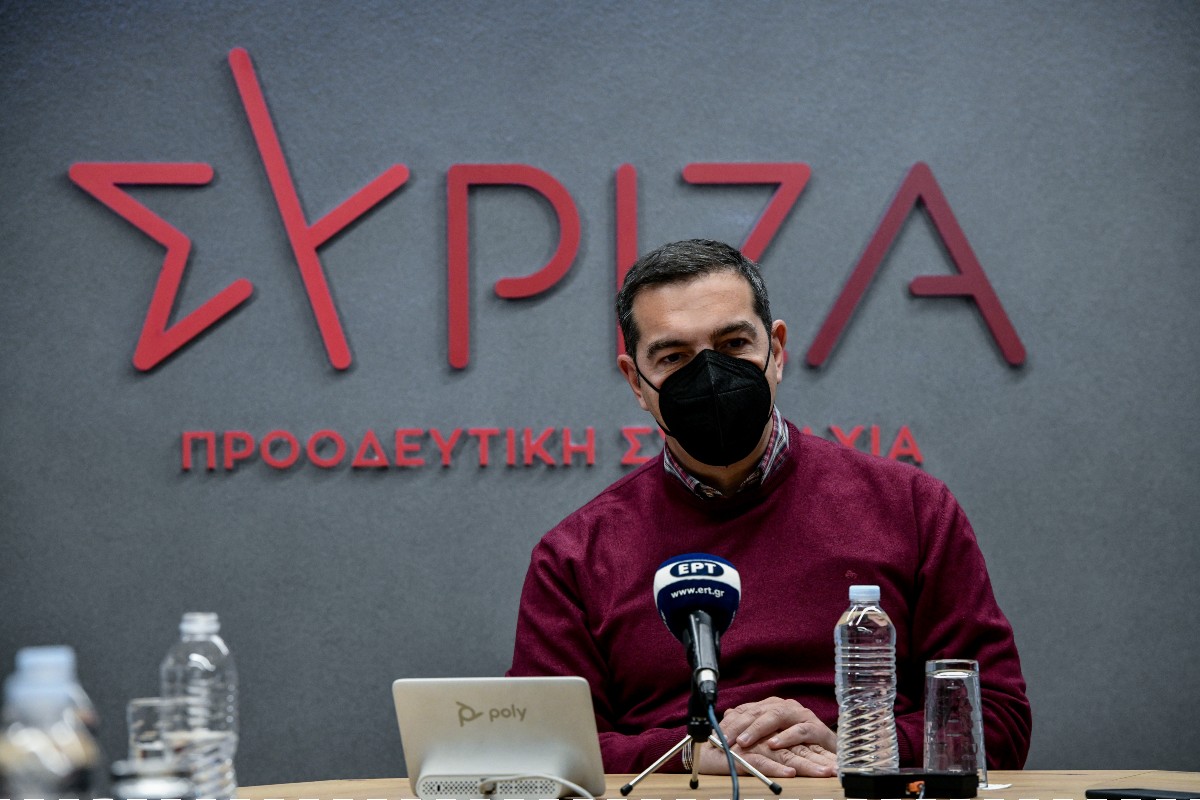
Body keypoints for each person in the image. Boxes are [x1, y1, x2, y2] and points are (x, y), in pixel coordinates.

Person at [508, 239, 1031, 778]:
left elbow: (998, 719)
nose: (710, 374)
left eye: (733, 344)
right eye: (673, 357)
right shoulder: (576, 556)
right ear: (636, 382)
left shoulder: (913, 509)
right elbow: (540, 748)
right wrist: (688, 754)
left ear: (776, 351)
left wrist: (857, 743)